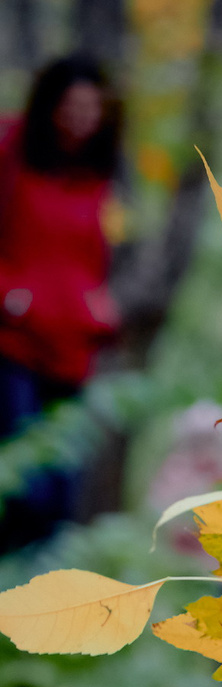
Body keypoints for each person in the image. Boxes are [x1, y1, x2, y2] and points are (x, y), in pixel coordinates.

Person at [0, 55, 121, 551]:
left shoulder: (97, 173)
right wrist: (11, 295)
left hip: (73, 350)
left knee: (61, 495)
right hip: (13, 345)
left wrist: (99, 307)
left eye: (92, 108)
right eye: (72, 106)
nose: (82, 119)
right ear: (49, 106)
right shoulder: (11, 150)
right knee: (24, 485)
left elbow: (90, 256)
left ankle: (45, 589)